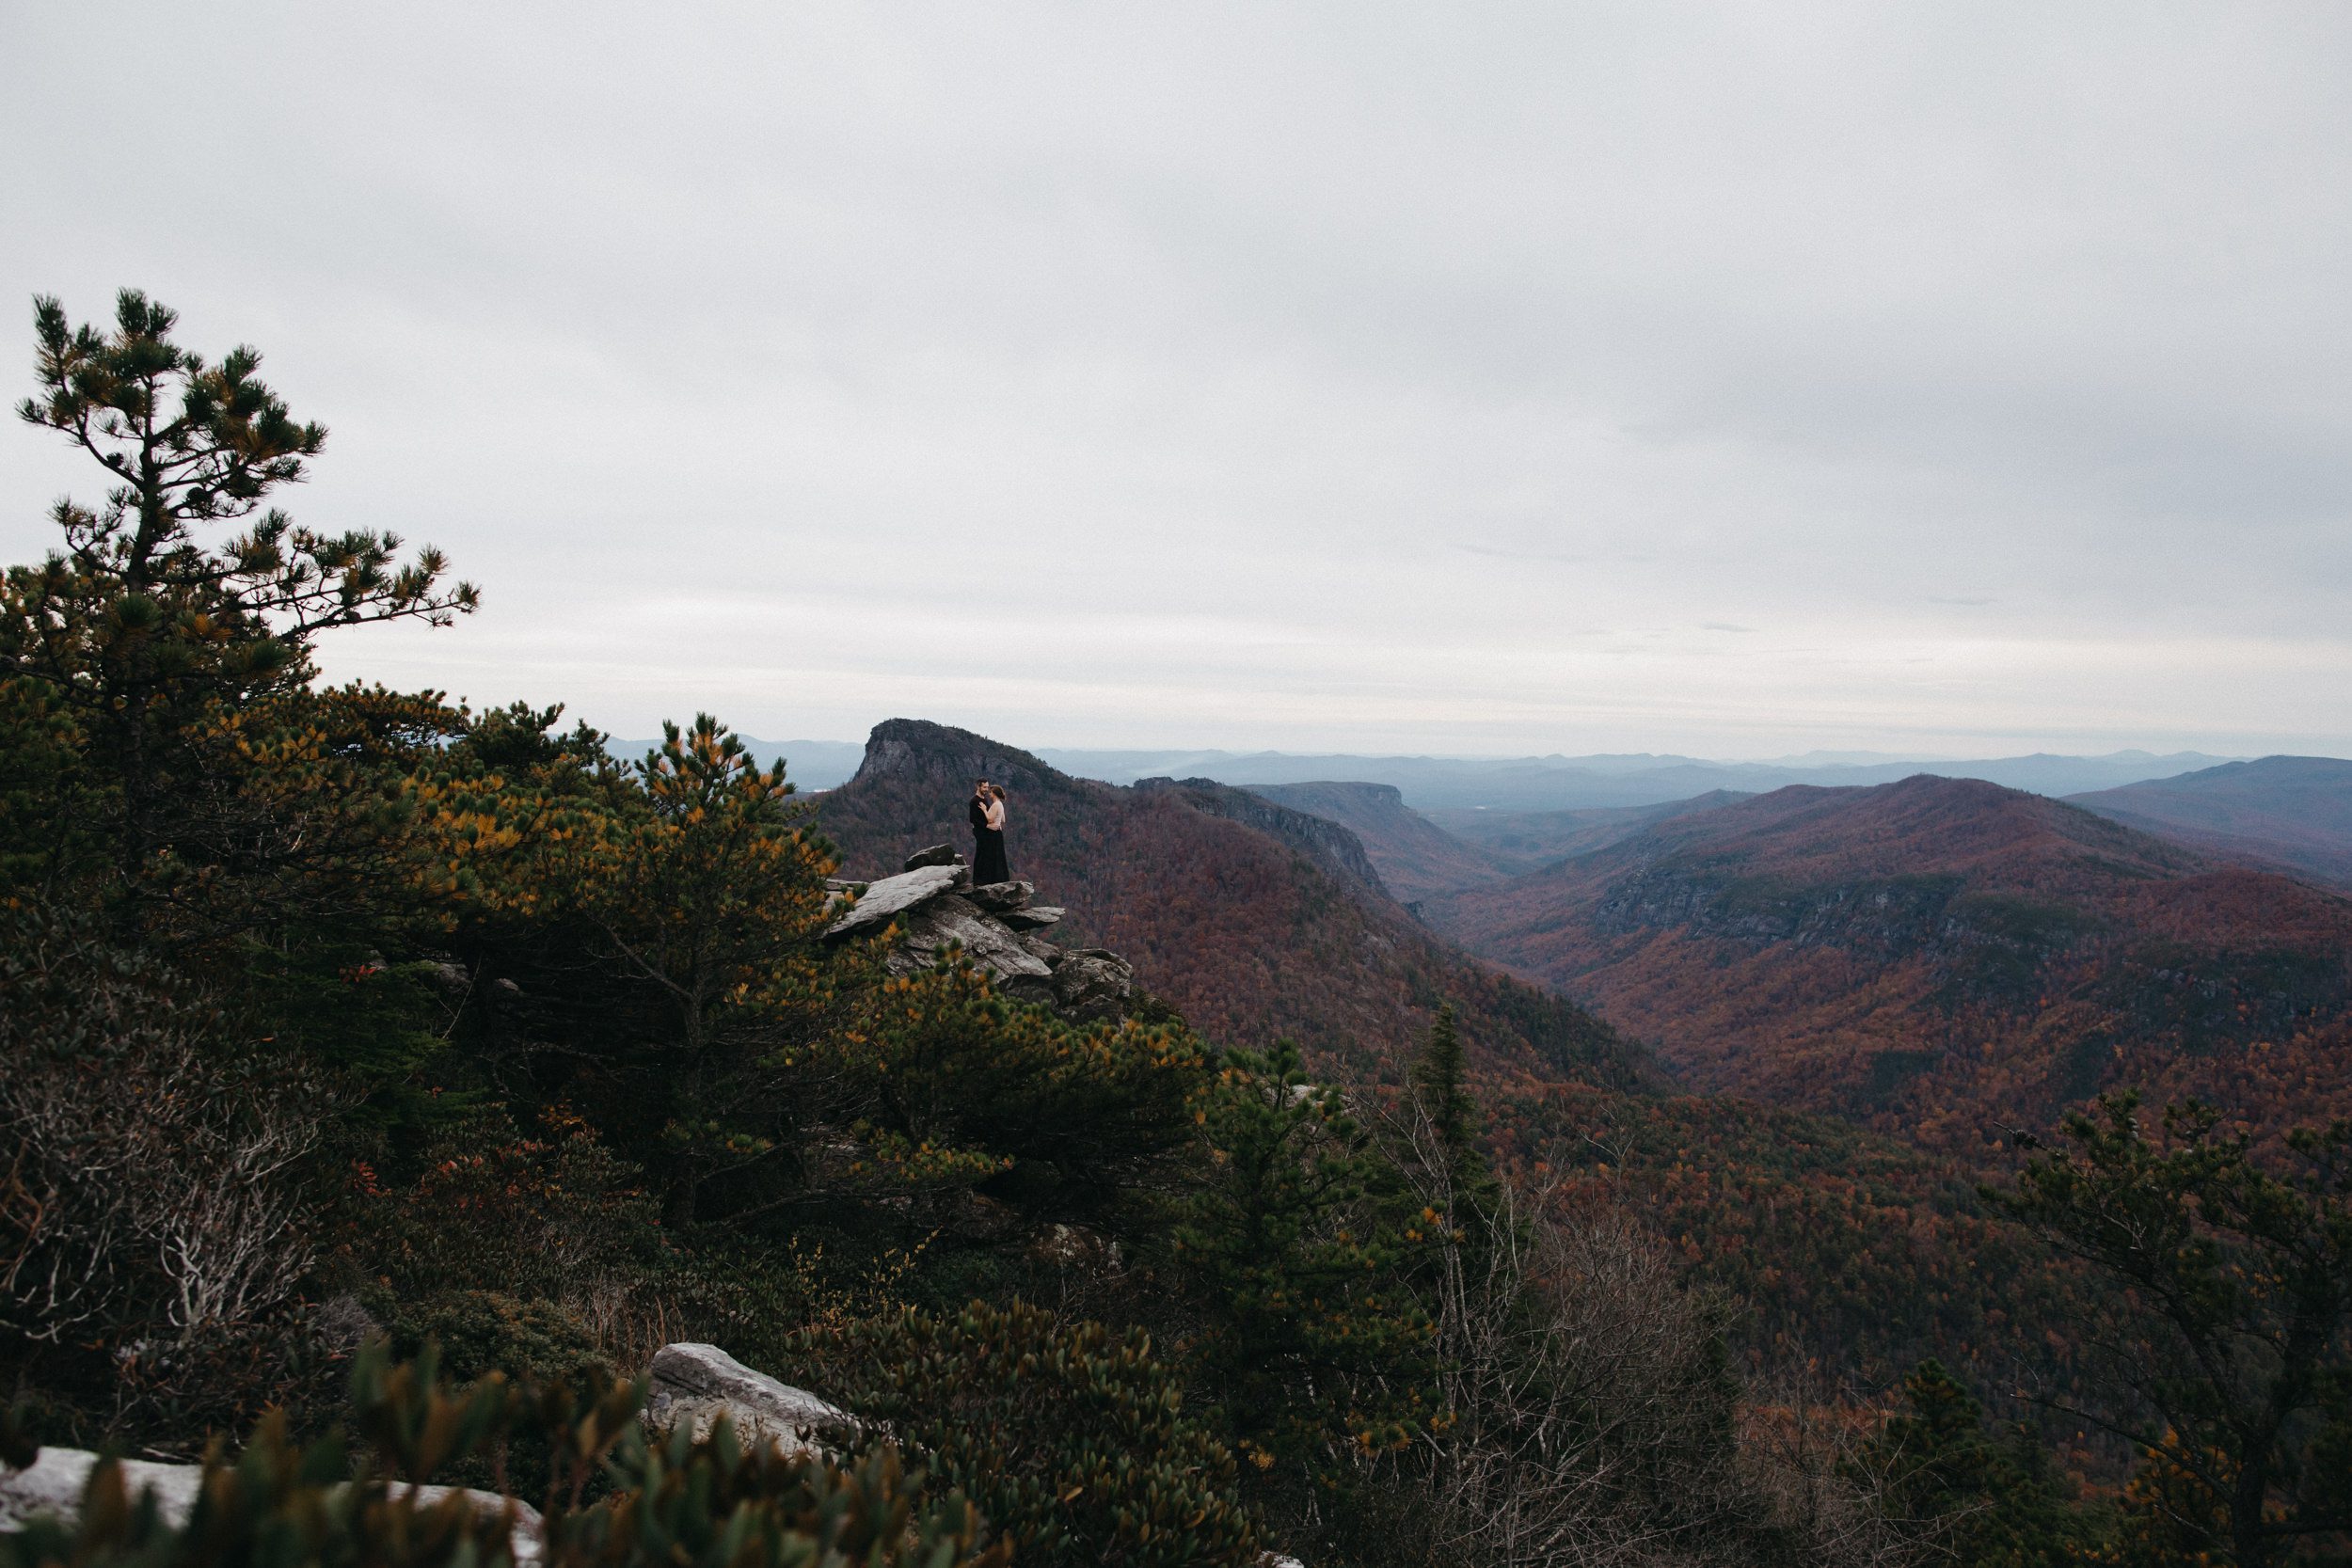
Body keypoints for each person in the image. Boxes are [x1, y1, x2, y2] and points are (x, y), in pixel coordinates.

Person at [969, 779, 1009, 883]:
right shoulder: (974, 801)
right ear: (978, 786)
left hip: (989, 832)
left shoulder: (986, 800)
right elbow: (973, 819)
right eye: (984, 787)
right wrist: (987, 826)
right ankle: (978, 879)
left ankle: (988, 879)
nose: (987, 789)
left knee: (988, 855)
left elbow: (992, 817)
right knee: (981, 854)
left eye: (988, 787)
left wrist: (991, 824)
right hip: (981, 831)